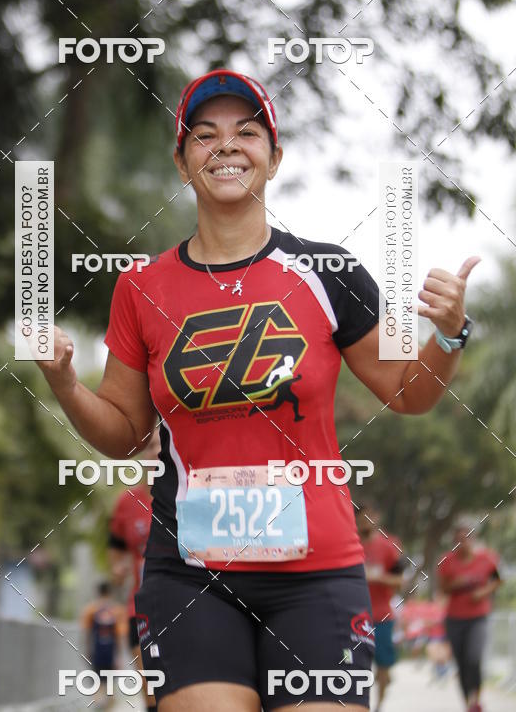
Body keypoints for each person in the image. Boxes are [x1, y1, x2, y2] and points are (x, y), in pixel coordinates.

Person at [36, 68, 479, 711]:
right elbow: (124, 434)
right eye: (205, 134)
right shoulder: (141, 288)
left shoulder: (329, 274)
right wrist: (65, 382)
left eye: (247, 132)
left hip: (318, 574)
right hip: (191, 576)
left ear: (274, 158)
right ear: (183, 164)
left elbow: (408, 392)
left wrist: (449, 335)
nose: (227, 146)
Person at [108, 429, 161, 710]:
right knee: (152, 693)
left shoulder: (188, 497)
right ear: (143, 454)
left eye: (163, 447)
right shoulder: (127, 504)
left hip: (186, 604)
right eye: (151, 447)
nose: (157, 453)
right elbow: (115, 550)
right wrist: (118, 568)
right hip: (139, 609)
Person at [437, 523, 501, 712]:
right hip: (455, 618)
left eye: (466, 538)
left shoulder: (486, 559)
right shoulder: (447, 561)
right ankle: (468, 704)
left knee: (474, 658)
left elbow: (497, 580)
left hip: (478, 617)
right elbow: (443, 589)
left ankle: (477, 698)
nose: (462, 543)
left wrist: (484, 592)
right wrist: (456, 584)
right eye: (458, 540)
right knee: (462, 663)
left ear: (473, 540)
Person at [355, 504, 406, 711]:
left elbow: (400, 581)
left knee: (383, 664)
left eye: (370, 516)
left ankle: (379, 705)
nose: (366, 520)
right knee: (357, 663)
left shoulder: (390, 545)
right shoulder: (351, 543)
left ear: (377, 517)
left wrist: (378, 577)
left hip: (382, 615)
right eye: (361, 516)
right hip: (356, 616)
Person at [81, 581, 122, 710]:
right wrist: (119, 656)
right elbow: (119, 635)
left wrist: (87, 650)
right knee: (110, 687)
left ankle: (98, 707)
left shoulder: (91, 610)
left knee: (97, 684)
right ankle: (107, 707)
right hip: (110, 653)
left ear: (98, 593)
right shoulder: (116, 610)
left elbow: (87, 633)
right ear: (110, 593)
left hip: (97, 652)